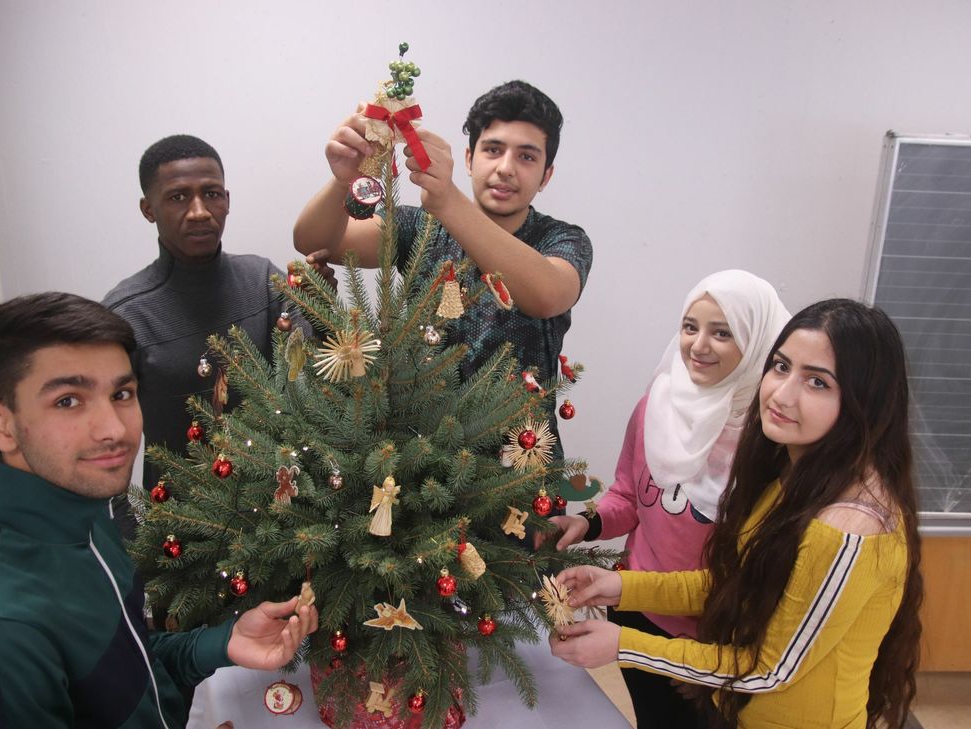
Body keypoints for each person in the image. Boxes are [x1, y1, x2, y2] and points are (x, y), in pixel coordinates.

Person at [0, 292, 318, 728]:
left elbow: (128, 668)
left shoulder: (86, 515)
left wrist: (222, 643)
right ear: (2, 425)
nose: (114, 430)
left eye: (121, 394)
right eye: (68, 401)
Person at [550, 299, 923, 729]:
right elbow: (735, 585)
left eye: (817, 382)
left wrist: (625, 646)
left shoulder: (848, 530)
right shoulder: (793, 474)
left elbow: (770, 671)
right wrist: (618, 585)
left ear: (866, 402)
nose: (781, 394)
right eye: (781, 367)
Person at [544, 270, 790, 728]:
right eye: (690, 327)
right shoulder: (656, 405)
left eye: (723, 333)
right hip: (637, 610)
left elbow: (763, 571)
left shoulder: (769, 441)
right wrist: (586, 524)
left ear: (760, 343)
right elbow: (629, 498)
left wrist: (714, 666)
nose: (699, 345)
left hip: (712, 639)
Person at [293, 80, 591, 457]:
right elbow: (315, 240)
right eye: (493, 150)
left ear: (546, 175)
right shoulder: (419, 227)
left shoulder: (562, 240)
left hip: (518, 475)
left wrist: (448, 200)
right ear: (469, 159)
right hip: (418, 468)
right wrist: (343, 180)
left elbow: (548, 295)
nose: (505, 168)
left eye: (527, 157)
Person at [103, 134, 326, 518]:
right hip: (180, 533)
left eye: (212, 194)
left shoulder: (261, 280)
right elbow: (105, 442)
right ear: (148, 209)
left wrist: (321, 308)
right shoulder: (126, 315)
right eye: (177, 197)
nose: (199, 211)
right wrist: (128, 538)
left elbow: (315, 377)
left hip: (280, 520)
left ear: (227, 200)